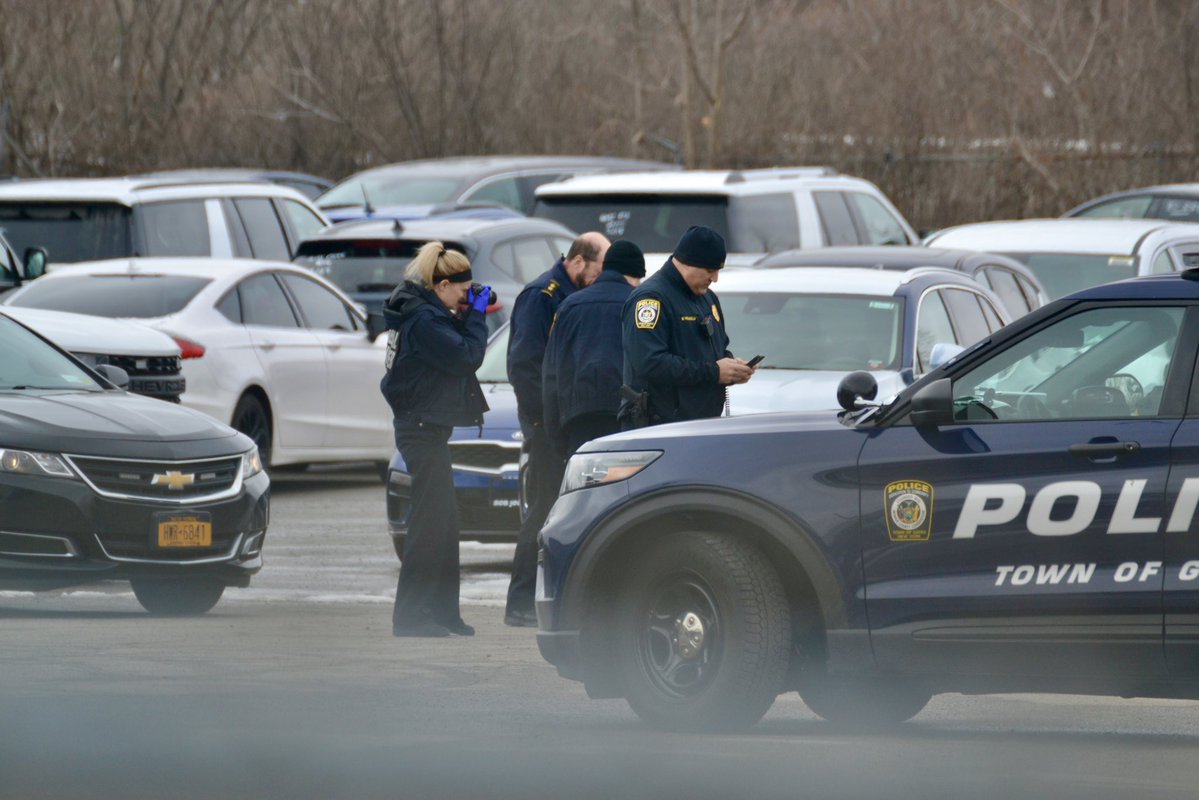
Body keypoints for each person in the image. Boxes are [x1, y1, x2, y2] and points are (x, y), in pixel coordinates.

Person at [379, 241, 491, 638]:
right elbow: (465, 357)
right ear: (441, 285)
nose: (466, 297)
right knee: (429, 526)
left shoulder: (427, 312)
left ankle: (443, 612)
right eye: (462, 291)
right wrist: (476, 315)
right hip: (420, 429)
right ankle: (409, 617)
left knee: (446, 524)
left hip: (428, 429)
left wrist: (468, 311)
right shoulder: (424, 321)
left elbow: (454, 344)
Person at [503, 231, 610, 627]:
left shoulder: (572, 295)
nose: (601, 277)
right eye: (599, 268)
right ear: (579, 261)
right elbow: (523, 365)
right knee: (543, 510)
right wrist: (540, 420)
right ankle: (519, 603)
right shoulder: (542, 296)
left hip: (563, 423)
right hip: (544, 424)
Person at [619, 225, 754, 429]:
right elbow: (649, 362)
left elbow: (715, 350)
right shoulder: (651, 299)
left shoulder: (707, 299)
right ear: (688, 263)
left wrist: (732, 368)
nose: (715, 278)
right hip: (660, 425)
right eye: (710, 270)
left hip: (700, 423)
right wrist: (714, 372)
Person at [543, 239, 645, 457]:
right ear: (635, 275)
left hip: (579, 420)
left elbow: (552, 374)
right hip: (628, 421)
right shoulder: (640, 304)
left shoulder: (570, 305)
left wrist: (555, 435)